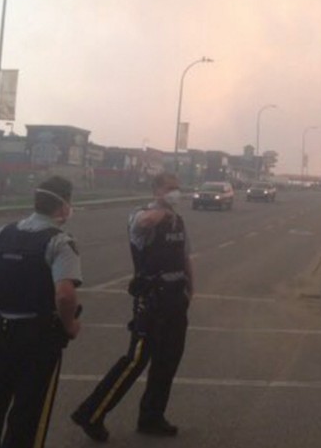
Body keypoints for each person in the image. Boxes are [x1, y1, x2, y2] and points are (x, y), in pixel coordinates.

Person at [0, 176, 83, 448]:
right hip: (37, 339)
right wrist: (69, 325)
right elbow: (65, 294)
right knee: (27, 413)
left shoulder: (2, 233)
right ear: (63, 205)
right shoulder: (60, 242)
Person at [71, 172, 193, 442]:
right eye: (169, 189)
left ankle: (151, 416)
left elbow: (185, 258)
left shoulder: (179, 222)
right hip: (152, 302)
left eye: (177, 188)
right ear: (156, 191)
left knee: (167, 361)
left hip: (175, 300)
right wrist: (162, 206)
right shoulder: (142, 216)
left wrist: (189, 290)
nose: (175, 193)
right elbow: (145, 222)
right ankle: (91, 413)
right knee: (136, 360)